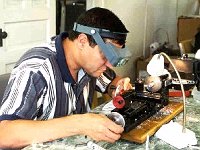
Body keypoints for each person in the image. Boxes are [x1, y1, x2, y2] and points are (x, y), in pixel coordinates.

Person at [0, 7, 132, 149]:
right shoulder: (36, 69)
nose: (110, 65)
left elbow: (112, 82)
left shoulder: (90, 65)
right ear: (82, 41)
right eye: (106, 56)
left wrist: (118, 87)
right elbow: (4, 134)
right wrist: (80, 124)